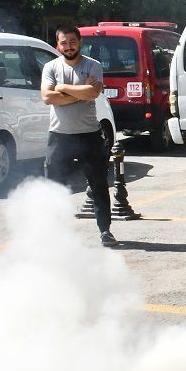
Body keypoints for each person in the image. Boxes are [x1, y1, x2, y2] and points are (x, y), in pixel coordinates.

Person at [40, 25, 116, 248]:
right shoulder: (50, 67)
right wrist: (79, 91)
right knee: (54, 188)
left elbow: (93, 93)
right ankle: (54, 234)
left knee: (99, 185)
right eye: (64, 42)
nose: (68, 46)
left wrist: (62, 88)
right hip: (59, 137)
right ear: (58, 45)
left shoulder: (93, 65)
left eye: (72, 41)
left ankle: (105, 231)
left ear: (80, 42)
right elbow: (47, 97)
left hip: (89, 136)